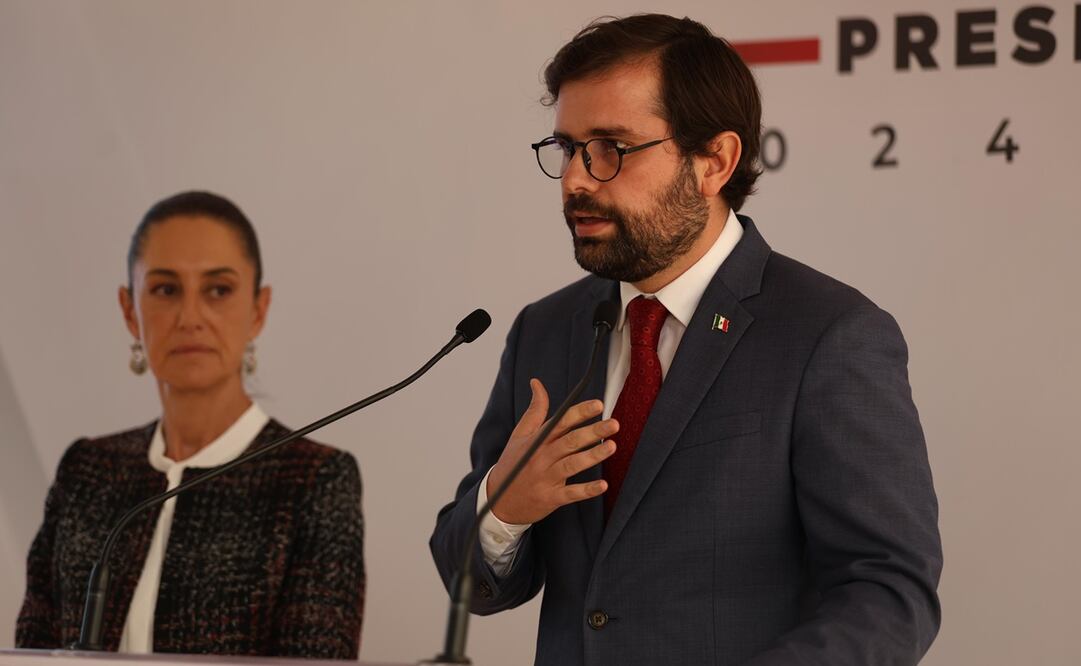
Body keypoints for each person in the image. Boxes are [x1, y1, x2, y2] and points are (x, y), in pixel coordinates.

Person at [430, 14, 941, 666]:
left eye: (611, 147)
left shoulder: (827, 335)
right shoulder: (545, 330)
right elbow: (467, 582)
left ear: (714, 162)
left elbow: (888, 591)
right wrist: (503, 510)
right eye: (566, 148)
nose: (577, 180)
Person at [16, 191, 365, 658]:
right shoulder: (86, 470)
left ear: (258, 309)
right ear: (128, 310)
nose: (190, 317)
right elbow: (31, 652)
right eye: (165, 289)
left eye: (218, 290)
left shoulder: (316, 480)